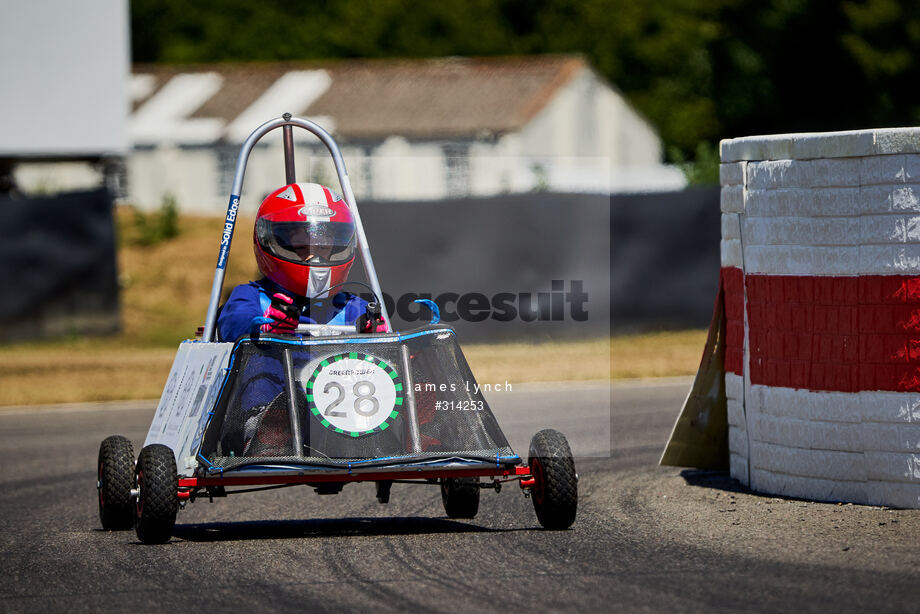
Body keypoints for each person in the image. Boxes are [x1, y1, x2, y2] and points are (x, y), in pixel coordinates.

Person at [217, 182, 385, 456]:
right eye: (300, 239)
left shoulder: (353, 307)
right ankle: (264, 428)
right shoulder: (252, 297)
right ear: (273, 240)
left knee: (399, 357)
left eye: (325, 239)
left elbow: (385, 342)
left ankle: (420, 426)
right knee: (262, 357)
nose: (315, 249)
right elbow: (232, 325)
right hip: (277, 393)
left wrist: (374, 334)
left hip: (350, 408)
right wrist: (267, 328)